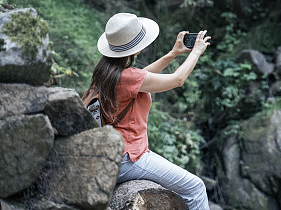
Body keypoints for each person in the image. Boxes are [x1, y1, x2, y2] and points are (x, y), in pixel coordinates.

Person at [83, 13, 211, 209]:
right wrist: (197, 52)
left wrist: (173, 53)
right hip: (129, 157)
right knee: (196, 188)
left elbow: (142, 77)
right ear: (136, 48)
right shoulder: (127, 77)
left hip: (110, 155)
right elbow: (177, 80)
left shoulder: (104, 72)